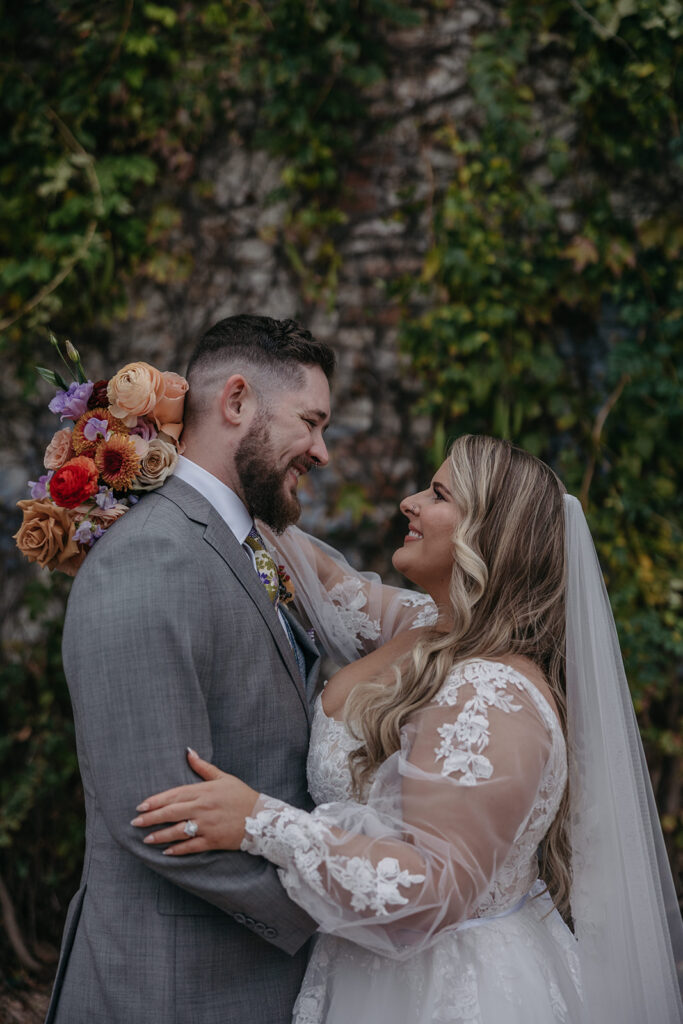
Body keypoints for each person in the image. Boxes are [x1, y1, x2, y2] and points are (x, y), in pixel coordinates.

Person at [132, 435, 683, 1024]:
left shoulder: (493, 699)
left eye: (438, 494)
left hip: (447, 990)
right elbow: (311, 567)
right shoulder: (426, 624)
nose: (409, 503)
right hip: (365, 973)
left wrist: (259, 822)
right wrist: (164, 461)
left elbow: (432, 892)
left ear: (487, 536)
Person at [45, 315, 337, 1024]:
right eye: (310, 421)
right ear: (235, 402)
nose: (321, 451)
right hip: (173, 989)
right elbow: (159, 814)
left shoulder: (250, 547)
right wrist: (335, 911)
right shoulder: (151, 557)